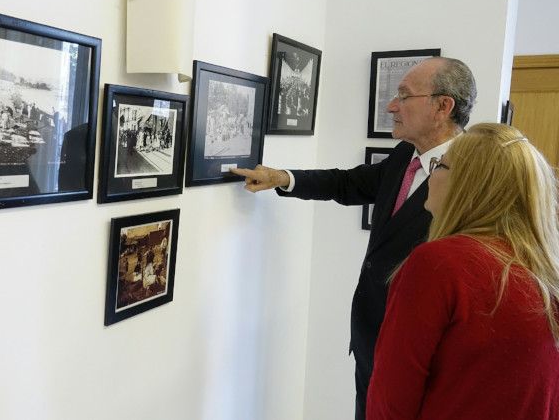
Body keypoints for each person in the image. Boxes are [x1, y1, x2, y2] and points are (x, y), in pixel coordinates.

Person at [231, 57, 477, 420]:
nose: (392, 106)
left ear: (443, 107)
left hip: (422, 356)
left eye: (404, 96)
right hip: (372, 338)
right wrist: (284, 177)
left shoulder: (473, 177)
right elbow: (350, 183)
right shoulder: (406, 155)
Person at [367, 123, 559, 419]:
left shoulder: (439, 264)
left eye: (440, 165)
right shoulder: (545, 269)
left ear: (469, 185)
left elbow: (392, 397)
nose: (431, 174)